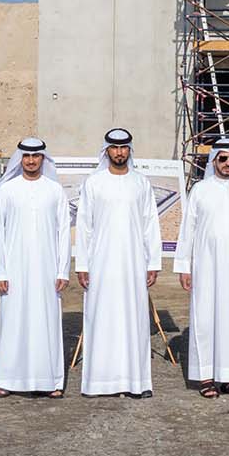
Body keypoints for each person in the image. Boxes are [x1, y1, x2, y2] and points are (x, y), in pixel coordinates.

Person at [75, 127, 163, 398]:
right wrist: (83, 264)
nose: (119, 152)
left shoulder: (141, 183)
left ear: (129, 150)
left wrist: (153, 262)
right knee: (101, 318)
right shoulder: (93, 183)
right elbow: (84, 226)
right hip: (101, 264)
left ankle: (136, 382)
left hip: (134, 263)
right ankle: (99, 383)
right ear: (107, 150)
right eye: (114, 148)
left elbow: (151, 224)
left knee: (134, 319)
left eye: (124, 148)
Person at [176, 137, 229, 397]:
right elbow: (188, 228)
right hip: (205, 265)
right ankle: (206, 377)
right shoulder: (200, 189)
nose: (228, 163)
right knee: (205, 319)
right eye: (222, 159)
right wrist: (183, 266)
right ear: (214, 161)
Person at [0, 138, 70, 397]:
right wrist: (0, 272)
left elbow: (63, 234)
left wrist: (62, 270)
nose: (32, 161)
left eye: (36, 156)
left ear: (43, 159)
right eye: (27, 156)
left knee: (46, 322)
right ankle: (6, 380)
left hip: (48, 271)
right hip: (14, 270)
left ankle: (51, 382)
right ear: (20, 159)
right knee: (14, 321)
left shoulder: (55, 191)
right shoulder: (6, 190)